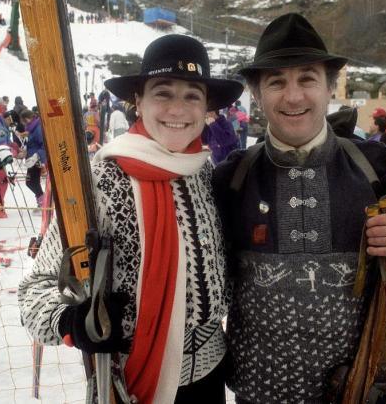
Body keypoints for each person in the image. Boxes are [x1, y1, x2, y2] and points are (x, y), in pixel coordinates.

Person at [212, 13, 386, 402]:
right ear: (257, 93)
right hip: (260, 392)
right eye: (276, 82)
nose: (293, 96)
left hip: (362, 388)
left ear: (330, 87)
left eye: (307, 79)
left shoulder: (379, 168)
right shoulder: (231, 178)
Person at [18, 34, 244, 403]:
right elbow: (35, 291)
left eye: (192, 96)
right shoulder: (100, 182)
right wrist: (72, 321)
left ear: (206, 107)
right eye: (163, 93)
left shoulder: (206, 174)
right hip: (130, 379)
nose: (177, 109)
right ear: (138, 101)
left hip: (210, 375)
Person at [20, 109, 46, 210]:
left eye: (23, 121)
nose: (23, 124)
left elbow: (43, 145)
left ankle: (43, 202)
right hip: (31, 158)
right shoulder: (32, 127)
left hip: (36, 159)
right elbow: (33, 142)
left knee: (30, 182)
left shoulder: (37, 127)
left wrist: (36, 156)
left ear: (27, 119)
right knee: (33, 182)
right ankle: (42, 202)